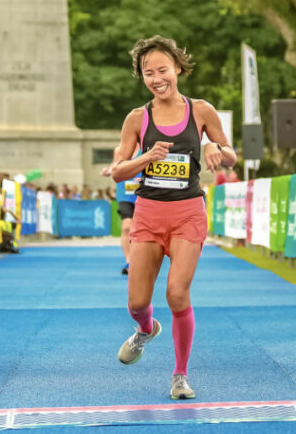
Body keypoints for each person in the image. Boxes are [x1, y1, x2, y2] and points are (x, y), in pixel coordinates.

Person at [111, 35, 236, 400]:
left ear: (178, 68)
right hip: (148, 213)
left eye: (162, 69)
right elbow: (118, 170)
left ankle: (180, 375)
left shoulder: (201, 111)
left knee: (177, 294)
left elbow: (231, 154)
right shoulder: (137, 118)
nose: (156, 78)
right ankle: (145, 329)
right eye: (148, 73)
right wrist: (145, 158)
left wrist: (215, 147)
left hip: (187, 214)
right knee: (136, 303)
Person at [102, 145, 142, 275]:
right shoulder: (119, 150)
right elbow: (115, 166)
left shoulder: (146, 147)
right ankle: (129, 261)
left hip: (142, 195)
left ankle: (141, 260)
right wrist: (108, 171)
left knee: (142, 230)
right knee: (126, 226)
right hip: (124, 195)